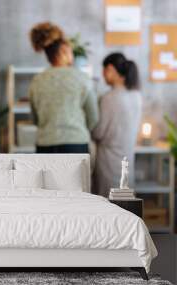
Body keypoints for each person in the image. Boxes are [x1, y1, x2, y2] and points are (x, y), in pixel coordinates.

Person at [28, 22, 98, 154]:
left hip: (45, 145)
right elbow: (93, 117)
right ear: (64, 50)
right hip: (76, 144)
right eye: (71, 50)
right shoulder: (82, 78)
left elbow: (34, 119)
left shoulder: (37, 81)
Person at [92, 53, 142, 197]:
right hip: (127, 158)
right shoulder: (136, 96)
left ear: (111, 69)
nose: (103, 75)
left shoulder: (109, 98)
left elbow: (98, 132)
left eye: (104, 71)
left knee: (109, 206)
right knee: (126, 205)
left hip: (109, 160)